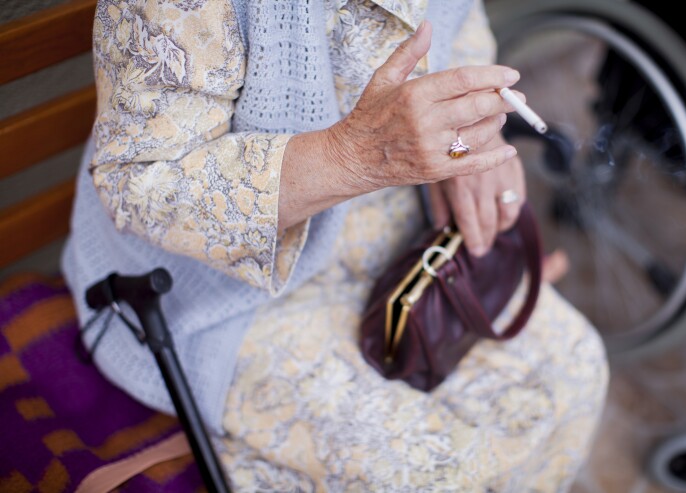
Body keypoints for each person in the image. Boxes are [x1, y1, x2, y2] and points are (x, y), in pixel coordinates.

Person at [62, 0, 608, 490]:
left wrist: (475, 135)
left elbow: (459, 26)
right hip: (228, 291)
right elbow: (141, 184)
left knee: (579, 368)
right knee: (439, 469)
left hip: (395, 232)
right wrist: (354, 157)